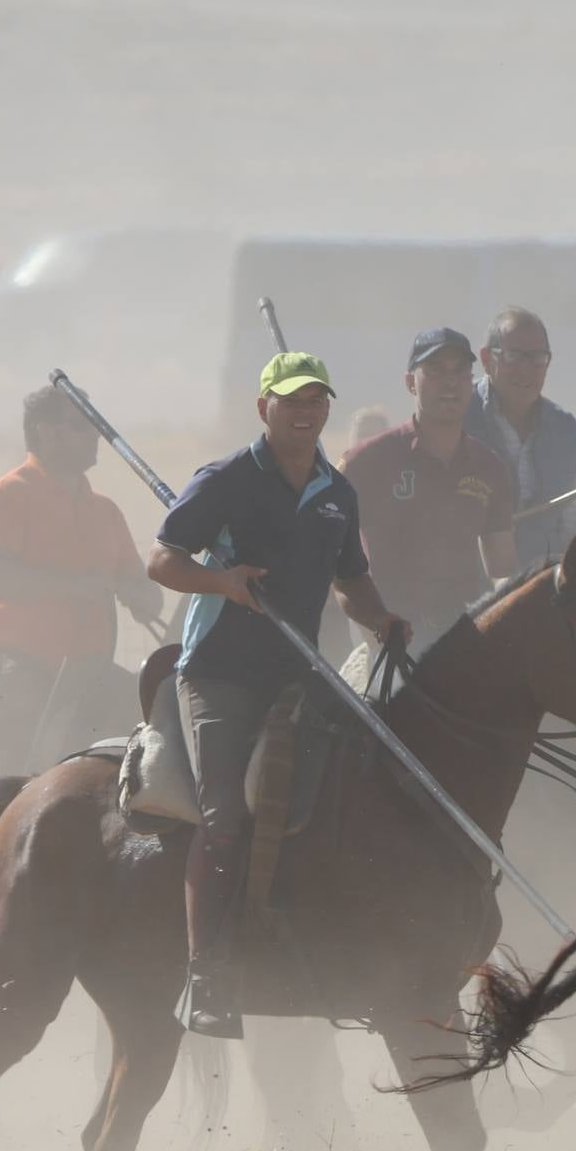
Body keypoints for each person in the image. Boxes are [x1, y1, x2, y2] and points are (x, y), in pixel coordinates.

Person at [146, 351, 412, 1038]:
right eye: (292, 400)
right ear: (264, 406)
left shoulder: (335, 492)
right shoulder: (226, 480)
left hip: (299, 669)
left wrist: (380, 619)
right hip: (220, 669)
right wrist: (226, 582)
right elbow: (163, 560)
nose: (306, 412)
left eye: (316, 400)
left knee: (358, 778)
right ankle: (205, 975)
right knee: (225, 812)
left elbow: (350, 578)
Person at [0, 383, 159, 778]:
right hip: (15, 669)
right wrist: (76, 586)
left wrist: (137, 595)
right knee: (6, 790)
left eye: (95, 427)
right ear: (44, 431)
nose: (95, 437)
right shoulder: (11, 493)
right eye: (82, 426)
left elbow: (150, 597)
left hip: (90, 673)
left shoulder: (106, 511)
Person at [342, 328, 517, 646]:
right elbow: (336, 565)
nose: (450, 382)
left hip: (466, 638)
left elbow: (502, 568)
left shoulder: (490, 468)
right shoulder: (366, 462)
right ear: (410, 382)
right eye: (435, 371)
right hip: (392, 639)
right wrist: (372, 627)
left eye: (460, 371)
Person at [466, 305, 576, 570]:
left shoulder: (564, 429)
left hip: (544, 585)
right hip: (469, 585)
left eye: (537, 359)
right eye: (513, 357)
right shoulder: (459, 418)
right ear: (487, 359)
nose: (526, 370)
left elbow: (574, 522)